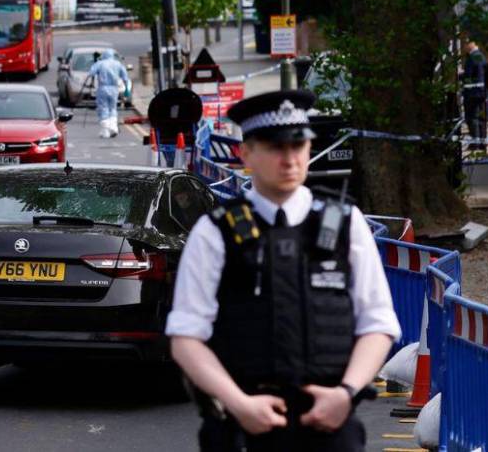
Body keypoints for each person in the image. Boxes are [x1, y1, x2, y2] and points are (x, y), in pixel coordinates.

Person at [167, 89, 400, 451]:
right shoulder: (215, 232)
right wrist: (239, 404)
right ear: (246, 153)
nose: (290, 159)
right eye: (276, 147)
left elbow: (378, 322)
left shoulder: (344, 223)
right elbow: (185, 337)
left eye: (299, 146)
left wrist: (345, 393)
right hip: (243, 428)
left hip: (329, 425)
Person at [88, 49, 130, 138]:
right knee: (113, 108)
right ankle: (113, 127)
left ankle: (105, 131)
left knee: (103, 108)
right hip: (114, 88)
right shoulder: (118, 64)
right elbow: (125, 77)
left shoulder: (100, 63)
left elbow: (91, 72)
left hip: (103, 88)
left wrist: (96, 62)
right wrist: (127, 89)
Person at [461, 39, 487, 148]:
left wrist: (460, 75)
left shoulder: (472, 57)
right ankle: (482, 142)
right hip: (482, 92)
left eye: (466, 44)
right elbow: (481, 73)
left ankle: (475, 143)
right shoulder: (480, 56)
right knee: (480, 117)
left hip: (472, 93)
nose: (465, 46)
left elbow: (469, 77)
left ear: (472, 44)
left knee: (472, 117)